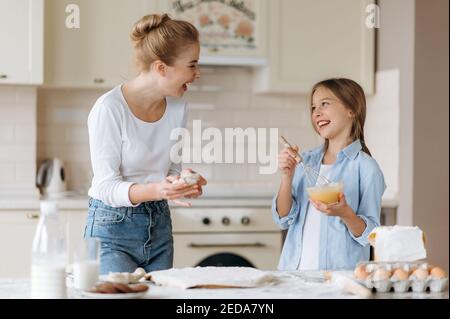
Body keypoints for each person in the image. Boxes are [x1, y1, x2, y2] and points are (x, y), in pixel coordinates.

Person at [84, 14, 206, 274]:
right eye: (192, 65)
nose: (198, 74)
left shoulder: (178, 108)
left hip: (159, 229)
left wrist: (181, 183)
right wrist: (158, 190)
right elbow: (105, 186)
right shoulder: (109, 108)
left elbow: (171, 168)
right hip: (111, 232)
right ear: (161, 67)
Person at [273, 78, 386, 270]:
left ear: (352, 110)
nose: (316, 112)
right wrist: (287, 176)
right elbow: (283, 218)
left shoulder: (366, 168)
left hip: (338, 278)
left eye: (324, 104)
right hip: (294, 273)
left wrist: (346, 213)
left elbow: (371, 235)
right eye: (313, 108)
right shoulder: (305, 161)